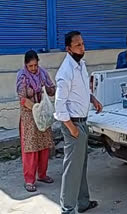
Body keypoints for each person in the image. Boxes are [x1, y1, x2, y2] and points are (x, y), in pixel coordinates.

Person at [54, 31, 103, 214]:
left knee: (81, 166)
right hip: (73, 124)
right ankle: (67, 209)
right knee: (71, 170)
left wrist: (92, 99)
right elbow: (59, 106)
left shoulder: (80, 65)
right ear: (68, 49)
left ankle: (83, 203)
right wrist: (72, 129)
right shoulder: (65, 72)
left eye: (83, 44)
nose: (83, 48)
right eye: (78, 45)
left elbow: (81, 90)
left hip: (82, 122)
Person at [16, 50, 55, 192]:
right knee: (31, 149)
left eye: (35, 65)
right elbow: (22, 98)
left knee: (44, 147)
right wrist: (35, 108)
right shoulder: (22, 77)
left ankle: (42, 174)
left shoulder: (43, 74)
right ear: (26, 65)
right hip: (29, 117)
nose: (33, 69)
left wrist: (50, 88)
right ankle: (29, 180)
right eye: (30, 66)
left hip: (42, 114)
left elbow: (51, 91)